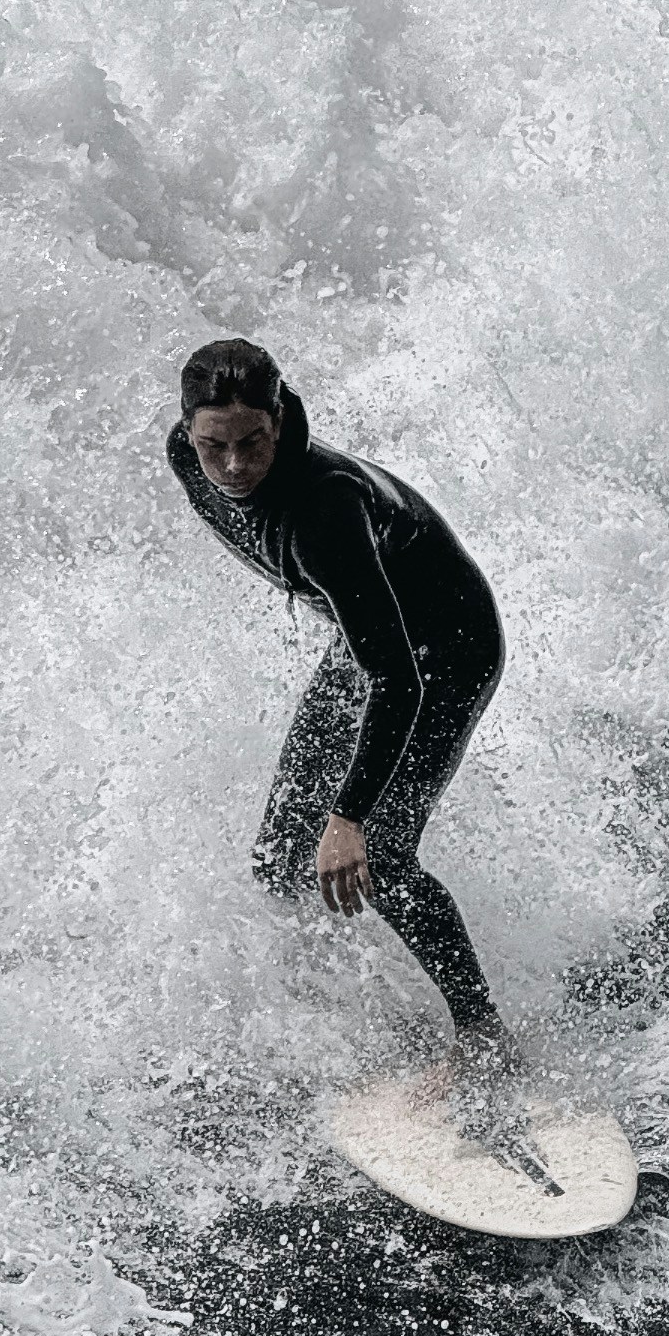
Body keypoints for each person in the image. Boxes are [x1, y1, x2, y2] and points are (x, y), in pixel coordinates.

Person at [166, 336, 516, 1106]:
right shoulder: (185, 456)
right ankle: (337, 989)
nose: (232, 467)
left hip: (444, 652)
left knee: (380, 854)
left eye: (253, 442)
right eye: (214, 445)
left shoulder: (325, 510)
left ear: (283, 418)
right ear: (187, 430)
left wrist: (351, 815)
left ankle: (487, 1039)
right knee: (278, 854)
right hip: (368, 640)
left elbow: (396, 677)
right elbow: (367, 647)